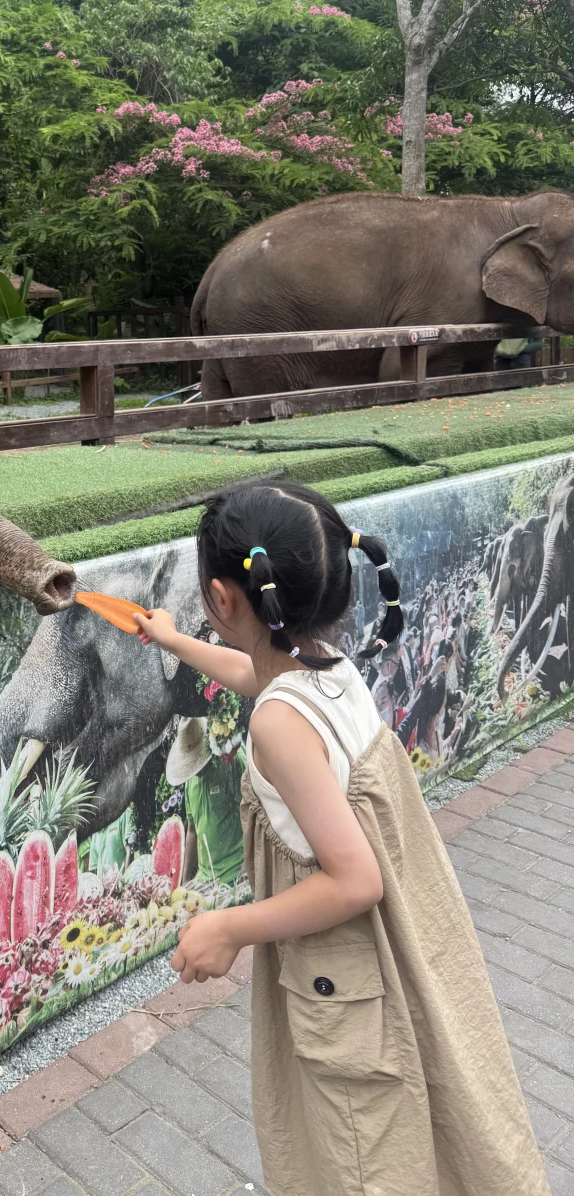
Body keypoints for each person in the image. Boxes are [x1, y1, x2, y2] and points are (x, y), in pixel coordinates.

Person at [134, 480, 547, 1196]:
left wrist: (230, 926)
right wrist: (174, 640)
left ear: (223, 599)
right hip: (394, 948)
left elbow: (355, 880)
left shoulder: (278, 725)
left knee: (360, 1154)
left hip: (344, 977)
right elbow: (257, 675)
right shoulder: (325, 664)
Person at [165, 717, 245, 887]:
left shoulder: (230, 763)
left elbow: (254, 812)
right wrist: (185, 878)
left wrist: (248, 866)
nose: (195, 770)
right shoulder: (190, 782)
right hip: (205, 879)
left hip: (235, 873)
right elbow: (192, 830)